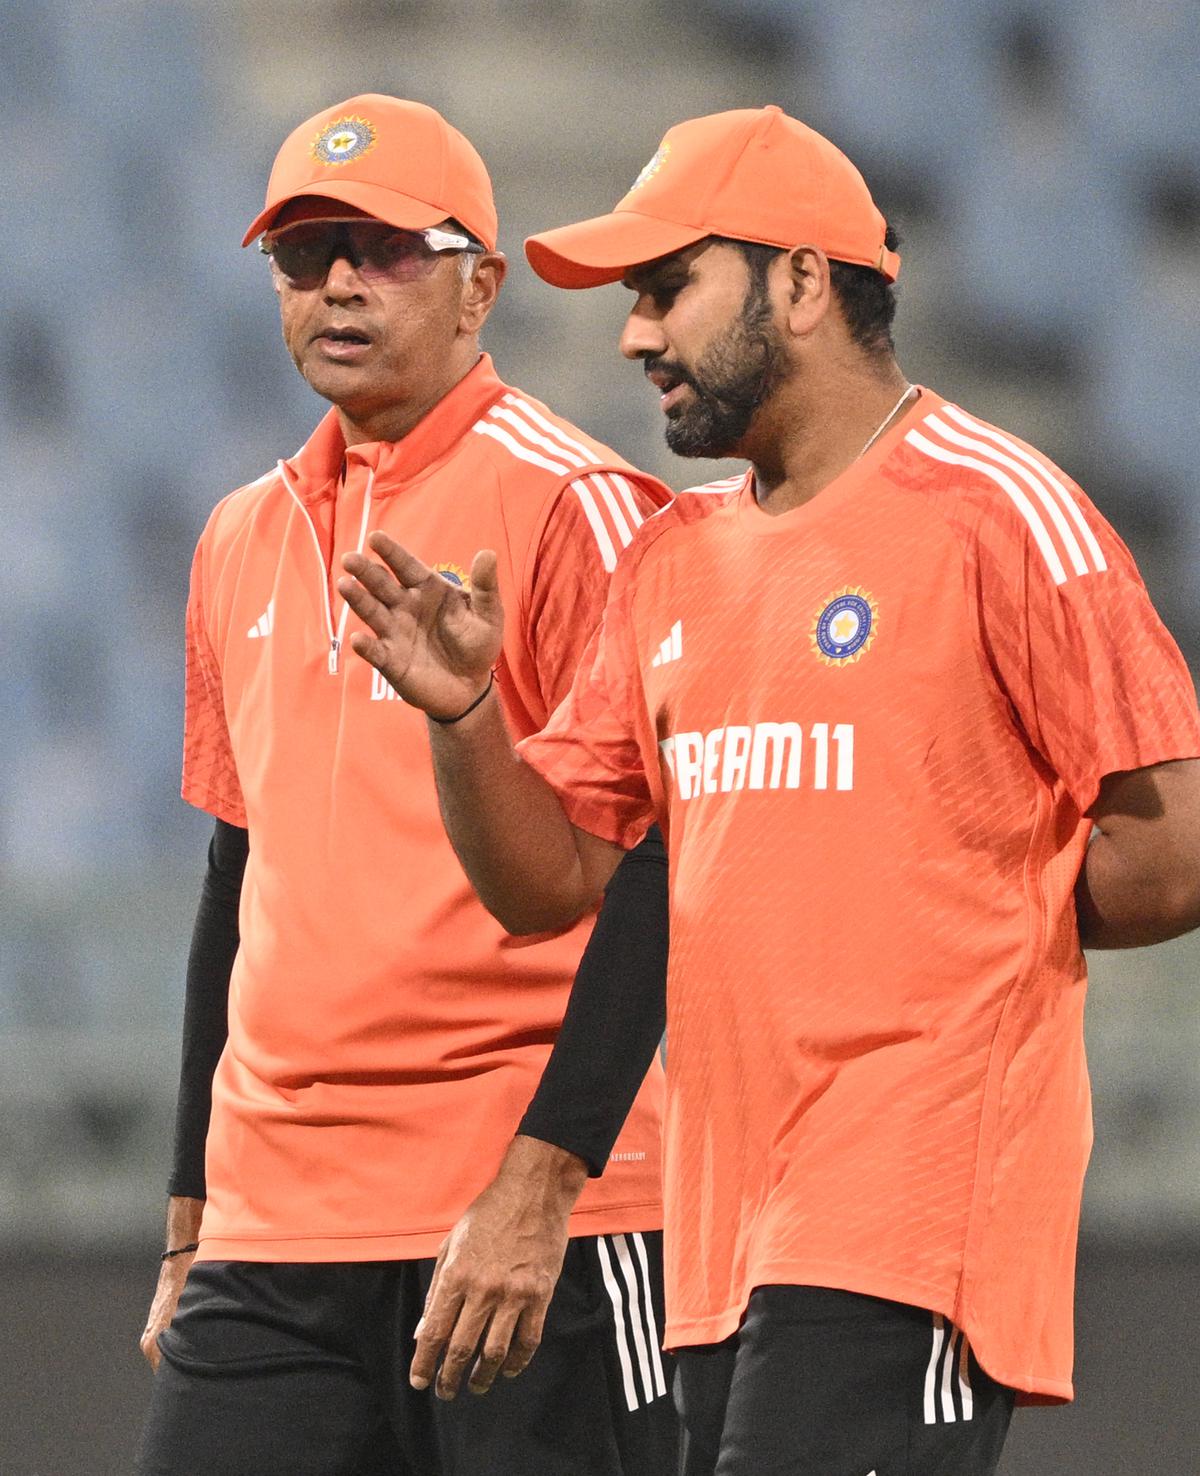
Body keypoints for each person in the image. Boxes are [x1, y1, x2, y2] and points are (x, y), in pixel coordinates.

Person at [337, 105, 1200, 1475]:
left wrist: (959, 892)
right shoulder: (673, 561)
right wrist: (467, 718)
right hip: (721, 1224)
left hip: (910, 1204)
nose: (634, 337)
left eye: (668, 288)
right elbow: (548, 879)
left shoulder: (1003, 512)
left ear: (802, 280)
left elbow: (1169, 858)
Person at [136, 93, 681, 1476]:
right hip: (274, 1240)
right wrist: (195, 1211)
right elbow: (235, 870)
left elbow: (668, 873)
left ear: (480, 284)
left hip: (520, 1218)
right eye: (302, 252)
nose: (334, 283)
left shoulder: (581, 506)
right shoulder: (237, 536)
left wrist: (544, 1181)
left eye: (383, 248)